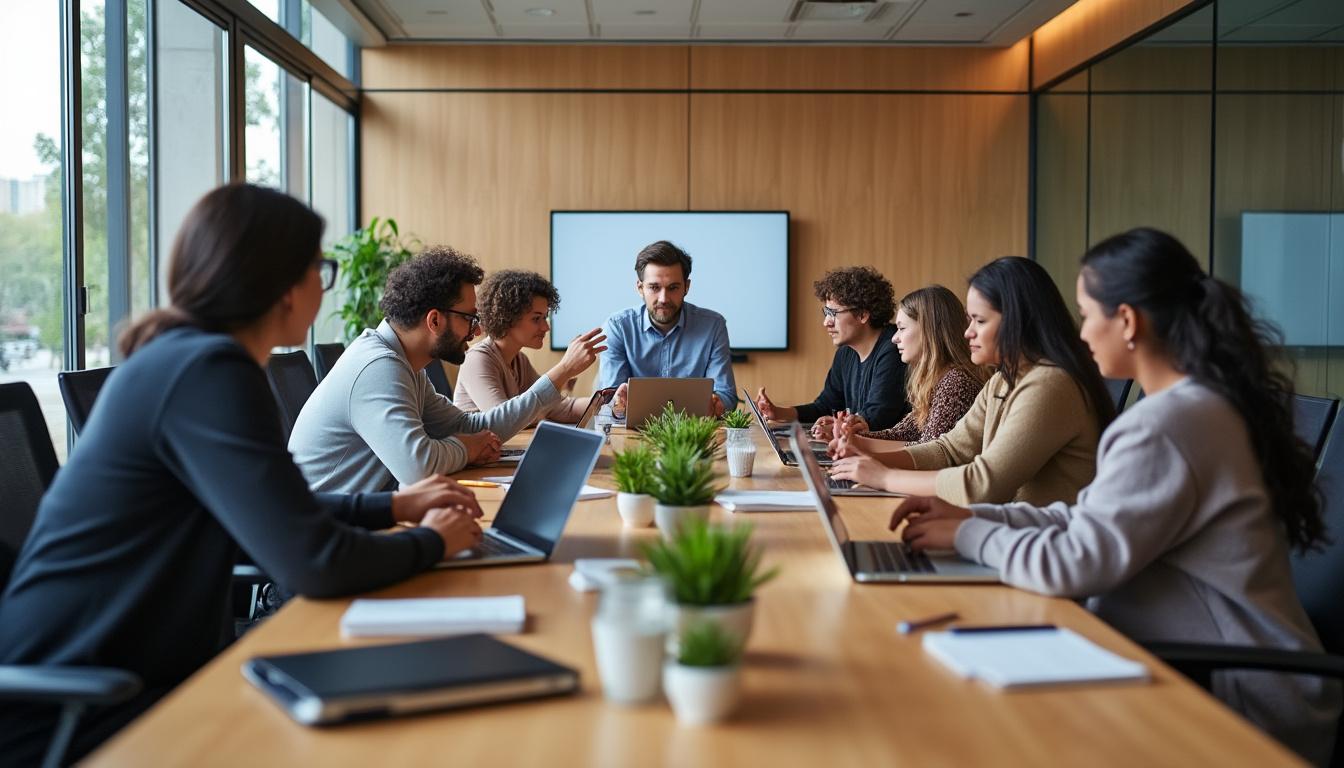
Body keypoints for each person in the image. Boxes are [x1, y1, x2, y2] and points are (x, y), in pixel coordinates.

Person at [0, 184, 486, 764]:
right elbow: (317, 564)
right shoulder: (208, 373)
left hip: (146, 673)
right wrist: (433, 541)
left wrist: (392, 508)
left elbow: (275, 507)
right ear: (279, 284)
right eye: (318, 268)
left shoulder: (192, 360)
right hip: (89, 708)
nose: (321, 285)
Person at [889, 228, 1339, 763]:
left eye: (1088, 315)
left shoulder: (1167, 425)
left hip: (1234, 694)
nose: (1081, 335)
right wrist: (975, 518)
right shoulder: (1196, 407)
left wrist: (968, 531)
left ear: (1127, 321)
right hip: (1206, 667)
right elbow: (1086, 519)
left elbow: (1077, 562)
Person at [289, 249, 605, 493]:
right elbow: (418, 466)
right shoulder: (379, 367)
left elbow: (469, 425)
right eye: (469, 317)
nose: (477, 329)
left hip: (360, 521)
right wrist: (466, 449)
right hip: (323, 543)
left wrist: (470, 441)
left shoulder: (406, 366)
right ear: (435, 320)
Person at [830, 256, 1112, 505]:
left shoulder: (1051, 384)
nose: (968, 333)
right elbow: (949, 448)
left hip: (1043, 548)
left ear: (1017, 321)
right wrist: (870, 461)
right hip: (1011, 532)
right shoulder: (1003, 380)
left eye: (979, 321)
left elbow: (983, 485)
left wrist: (886, 478)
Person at [755, 266, 910, 439]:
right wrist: (778, 412)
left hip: (885, 453)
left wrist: (837, 427)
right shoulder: (846, 353)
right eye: (825, 313)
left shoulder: (894, 348)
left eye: (833, 313)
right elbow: (826, 406)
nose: (826, 322)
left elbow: (877, 417)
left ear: (862, 315)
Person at [832, 285, 987, 452]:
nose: (894, 338)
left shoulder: (956, 382)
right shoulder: (936, 379)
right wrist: (848, 435)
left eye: (901, 328)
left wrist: (858, 443)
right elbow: (902, 433)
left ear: (930, 331)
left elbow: (928, 451)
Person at [600, 240, 736, 418]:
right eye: (654, 287)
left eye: (673, 288)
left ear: (686, 287)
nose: (663, 298)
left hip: (694, 433)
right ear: (640, 288)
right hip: (634, 434)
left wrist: (716, 404)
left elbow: (726, 396)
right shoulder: (617, 327)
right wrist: (617, 403)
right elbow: (609, 400)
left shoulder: (713, 326)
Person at [454, 269, 591, 424]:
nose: (546, 327)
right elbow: (504, 421)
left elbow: (564, 408)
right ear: (507, 317)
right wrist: (566, 367)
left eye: (545, 318)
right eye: (536, 318)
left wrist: (610, 404)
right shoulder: (477, 359)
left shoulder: (520, 361)